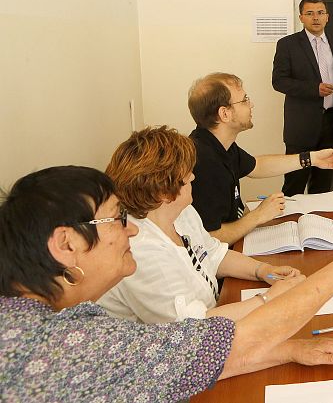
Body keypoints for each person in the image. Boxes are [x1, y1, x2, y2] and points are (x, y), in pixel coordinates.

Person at [0, 166, 333, 402]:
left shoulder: (61, 322)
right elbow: (218, 346)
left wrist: (287, 349)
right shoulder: (61, 348)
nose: (132, 230)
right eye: (117, 219)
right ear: (66, 244)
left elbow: (182, 359)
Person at [97, 126, 304, 324]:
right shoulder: (141, 250)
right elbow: (193, 326)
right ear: (164, 193)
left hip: (212, 314)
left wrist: (264, 270)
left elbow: (213, 254)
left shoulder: (180, 211)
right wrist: (268, 299)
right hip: (188, 337)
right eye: (187, 175)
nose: (194, 176)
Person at [188, 72, 333, 245]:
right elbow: (211, 238)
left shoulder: (216, 143)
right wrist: (258, 215)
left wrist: (312, 158)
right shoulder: (204, 163)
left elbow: (257, 166)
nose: (251, 104)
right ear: (225, 114)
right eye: (244, 100)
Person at [273, 0, 333, 196]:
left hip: (332, 122)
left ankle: (318, 216)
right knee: (295, 182)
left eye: (320, 13)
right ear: (301, 17)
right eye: (310, 13)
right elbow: (279, 81)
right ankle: (292, 216)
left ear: (327, 16)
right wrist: (314, 89)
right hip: (301, 124)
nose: (316, 17)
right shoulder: (287, 44)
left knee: (323, 182)